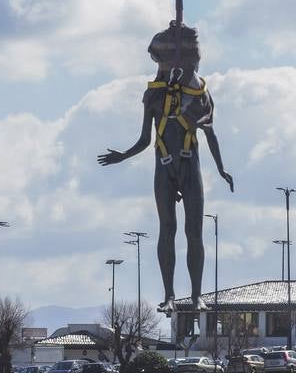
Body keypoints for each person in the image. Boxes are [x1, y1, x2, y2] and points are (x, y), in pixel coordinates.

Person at [98, 22, 233, 315]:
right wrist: (123, 155)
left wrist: (221, 169)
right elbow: (146, 139)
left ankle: (197, 295)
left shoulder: (199, 94)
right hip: (164, 165)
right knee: (167, 229)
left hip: (190, 164)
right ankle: (169, 294)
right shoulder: (154, 96)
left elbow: (210, 132)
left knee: (194, 231)